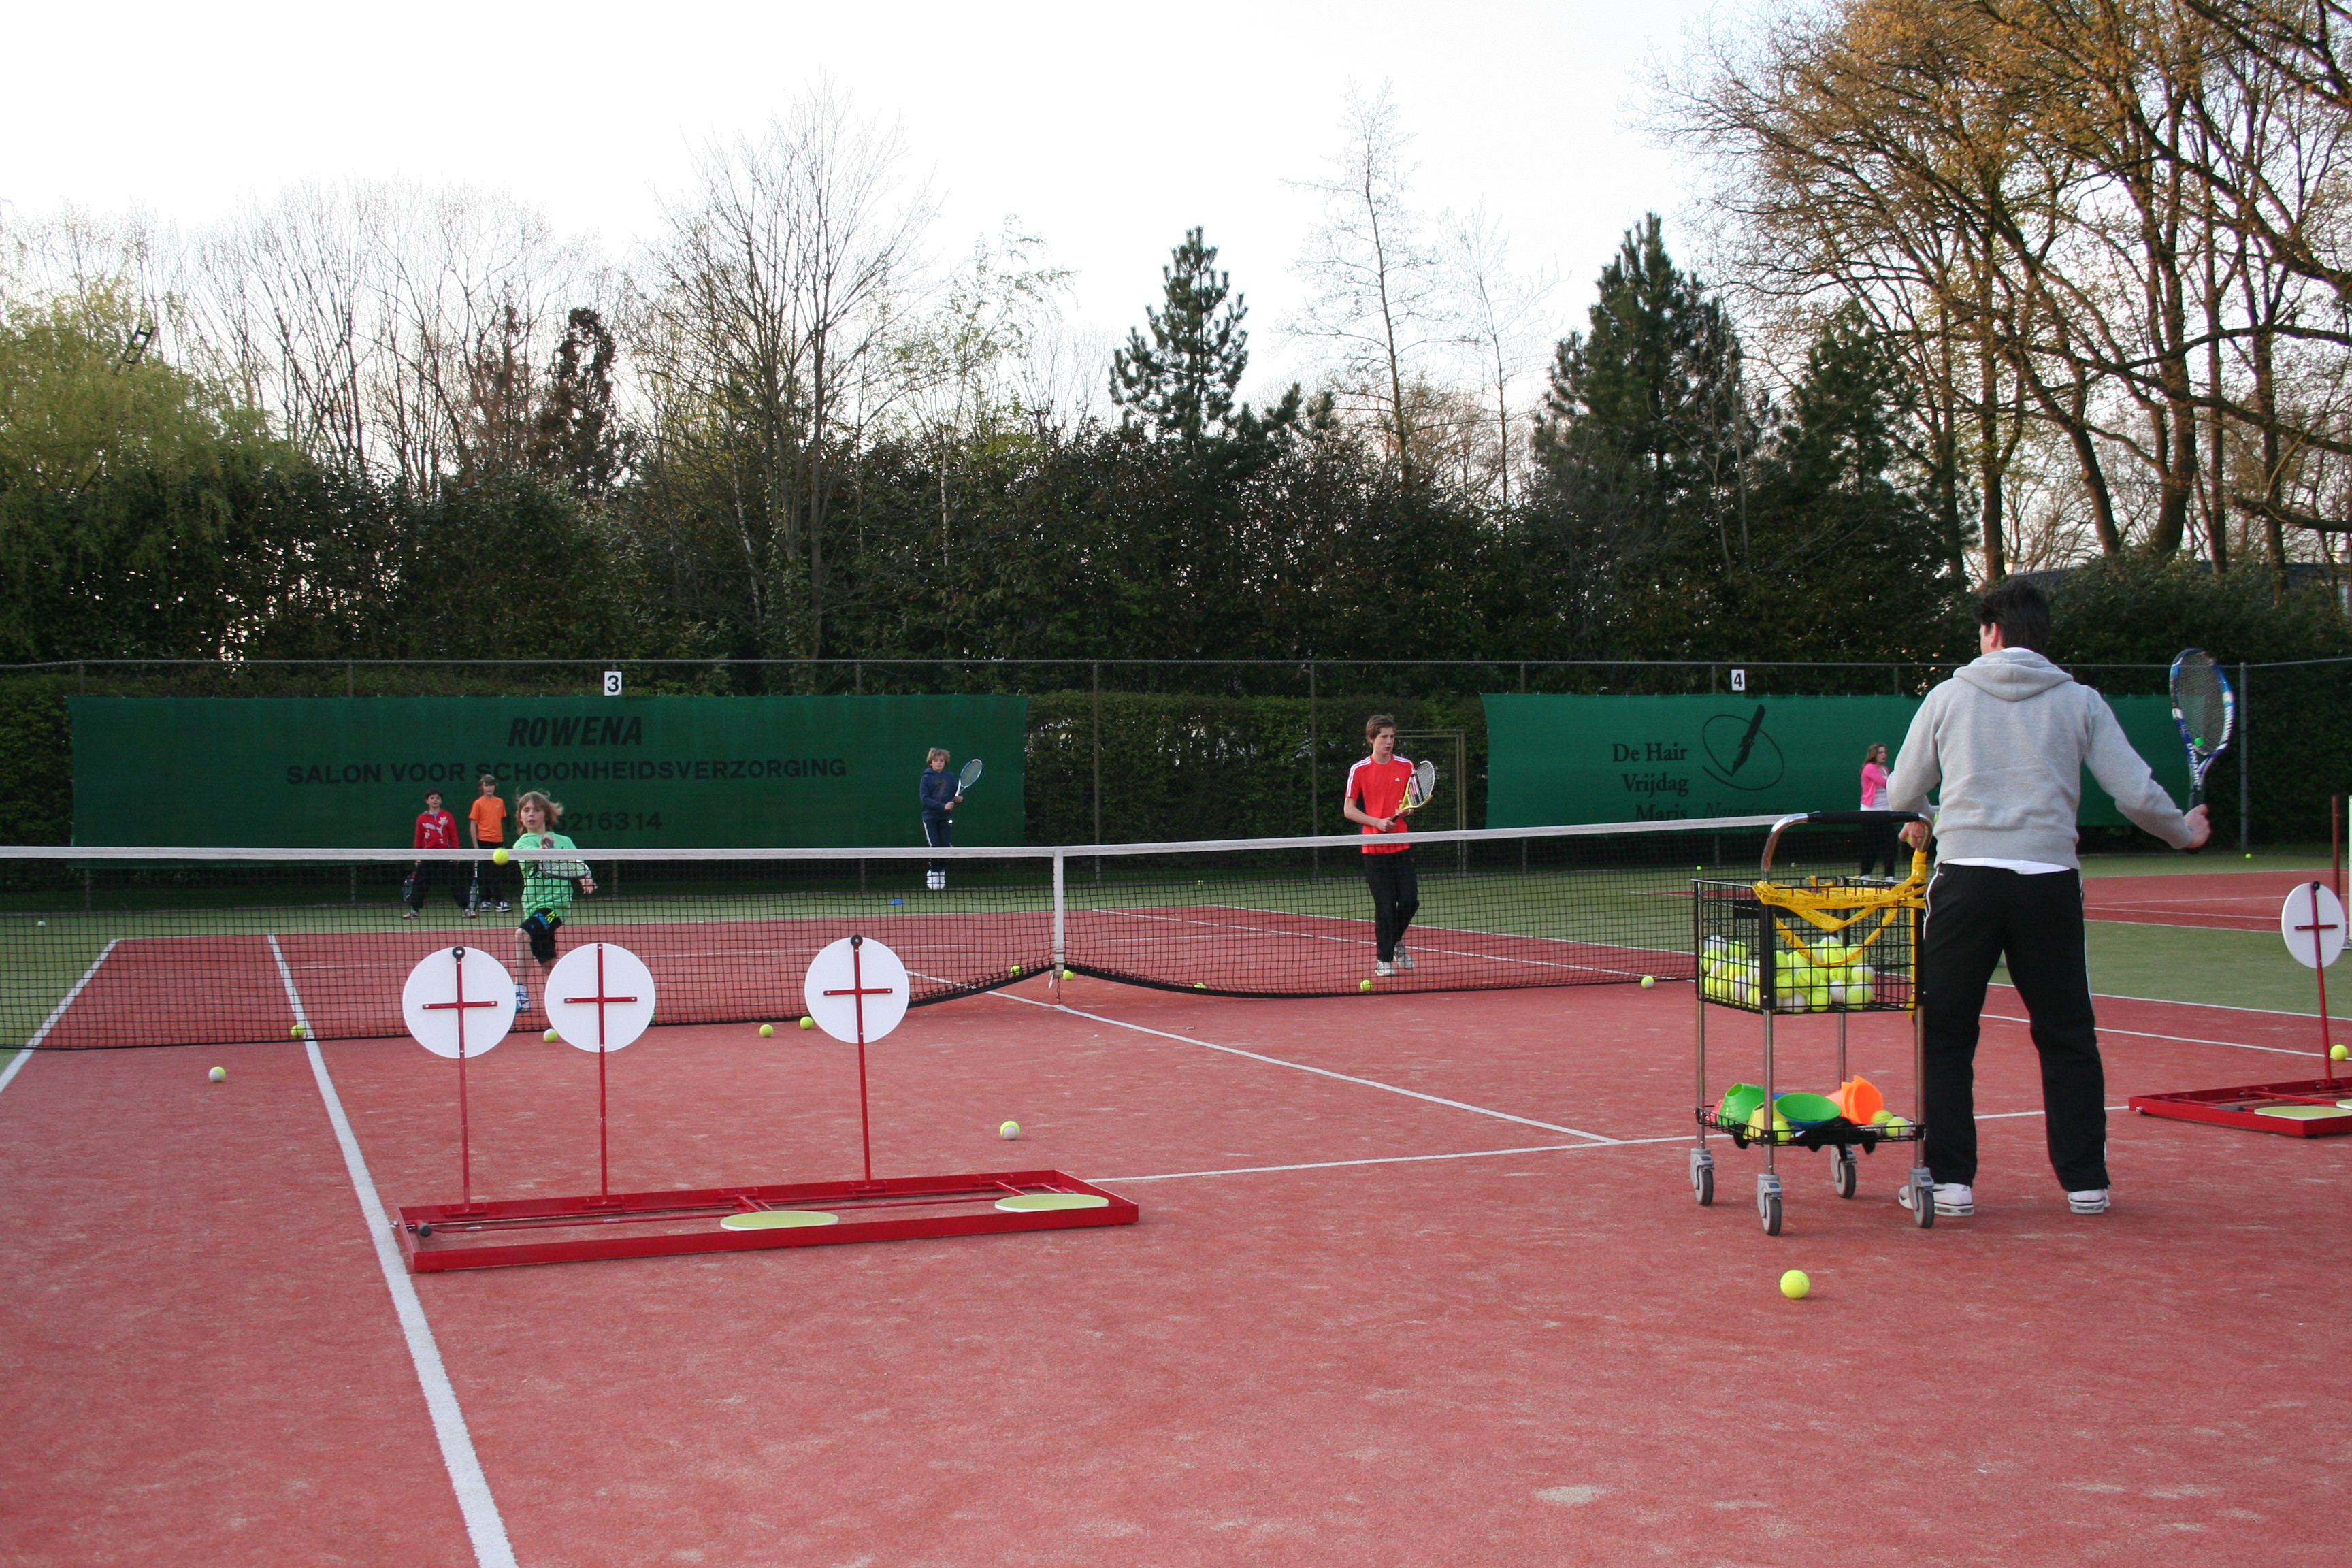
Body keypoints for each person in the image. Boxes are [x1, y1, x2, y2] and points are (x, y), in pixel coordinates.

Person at [1886, 579, 2208, 1220]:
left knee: (1945, 1032)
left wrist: (1930, 818)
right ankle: (2086, 1184)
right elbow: (2135, 793)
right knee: (2067, 1034)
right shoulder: (2080, 701)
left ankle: (1949, 1182)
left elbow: (1902, 793)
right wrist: (2183, 831)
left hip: (1966, 883)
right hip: (2049, 882)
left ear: (1992, 632)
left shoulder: (1948, 696)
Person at [1342, 715, 1420, 977]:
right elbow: (1349, 809)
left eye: (1392, 736)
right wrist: (1376, 822)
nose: (1389, 741)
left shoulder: (1406, 766)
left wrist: (1407, 811)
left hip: (1401, 846)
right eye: (1384, 737)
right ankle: (1383, 959)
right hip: (1373, 850)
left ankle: (1395, 941)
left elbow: (1411, 802)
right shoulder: (1359, 770)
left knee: (1409, 902)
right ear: (1371, 739)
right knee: (1385, 907)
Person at [508, 790, 595, 1018]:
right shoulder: (521, 844)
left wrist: (585, 877)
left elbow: (577, 864)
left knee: (522, 935)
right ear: (520, 817)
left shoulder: (565, 842)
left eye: (536, 810)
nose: (531, 814)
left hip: (554, 910)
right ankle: (580, 995)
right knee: (548, 962)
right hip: (533, 908)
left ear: (546, 815)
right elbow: (534, 855)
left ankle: (520, 994)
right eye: (526, 810)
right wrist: (545, 848)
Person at [404, 789, 465, 919]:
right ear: (427, 801)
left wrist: (456, 853)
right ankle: (414, 910)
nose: (435, 800)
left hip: (445, 854)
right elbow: (418, 839)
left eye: (437, 798)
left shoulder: (447, 816)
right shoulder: (422, 818)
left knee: (455, 882)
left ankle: (466, 909)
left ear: (441, 801)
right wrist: (417, 857)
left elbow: (454, 836)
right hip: (428, 855)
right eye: (432, 798)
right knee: (421, 884)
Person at [468, 774, 512, 917]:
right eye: (486, 785)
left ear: (495, 787)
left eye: (491, 785)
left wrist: (501, 841)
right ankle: (500, 901)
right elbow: (473, 825)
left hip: (498, 842)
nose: (489, 788)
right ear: (482, 787)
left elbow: (498, 822)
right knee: (490, 872)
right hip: (484, 841)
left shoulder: (500, 802)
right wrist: (476, 845)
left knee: (491, 872)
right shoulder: (478, 803)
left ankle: (485, 900)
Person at [919, 747, 962, 891]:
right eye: (936, 760)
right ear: (931, 763)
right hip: (930, 817)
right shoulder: (926, 778)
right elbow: (925, 799)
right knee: (936, 845)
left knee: (945, 847)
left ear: (945, 762)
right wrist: (943, 806)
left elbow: (956, 796)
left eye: (941, 761)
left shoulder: (950, 777)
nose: (939, 763)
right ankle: (934, 871)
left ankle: (941, 870)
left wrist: (959, 800)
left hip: (945, 818)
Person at [1857, 742, 1898, 877]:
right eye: (1880, 753)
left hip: (1886, 811)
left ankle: (1890, 877)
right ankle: (1865, 875)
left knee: (1889, 845)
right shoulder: (1869, 768)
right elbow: (1885, 784)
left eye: (1885, 752)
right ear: (1874, 754)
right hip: (1870, 812)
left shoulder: (1886, 769)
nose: (1884, 755)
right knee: (1870, 845)